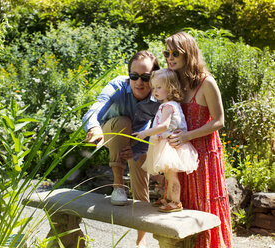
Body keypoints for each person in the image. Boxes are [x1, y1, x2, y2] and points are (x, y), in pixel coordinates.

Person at [82, 50, 160, 247]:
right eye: (134, 76)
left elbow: (158, 127)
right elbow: (96, 108)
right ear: (129, 76)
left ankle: (140, 241)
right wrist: (93, 127)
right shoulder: (117, 86)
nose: (139, 82)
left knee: (141, 191)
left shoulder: (159, 94)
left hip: (138, 138)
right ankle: (118, 186)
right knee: (123, 122)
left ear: (154, 77)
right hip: (112, 131)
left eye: (145, 77)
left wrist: (139, 149)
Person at [165, 32, 233, 247]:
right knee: (180, 203)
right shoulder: (173, 80)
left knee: (203, 205)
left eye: (176, 53)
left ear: (189, 53)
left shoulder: (206, 82)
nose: (170, 57)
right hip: (180, 154)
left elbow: (219, 121)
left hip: (203, 153)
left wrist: (187, 136)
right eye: (167, 53)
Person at [133, 68, 199, 212]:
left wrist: (145, 133)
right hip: (166, 143)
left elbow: (163, 126)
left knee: (172, 175)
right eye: (153, 88)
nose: (154, 91)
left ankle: (176, 202)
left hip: (170, 145)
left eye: (159, 87)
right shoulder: (168, 104)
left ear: (170, 88)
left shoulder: (168, 106)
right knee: (169, 175)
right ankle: (169, 199)